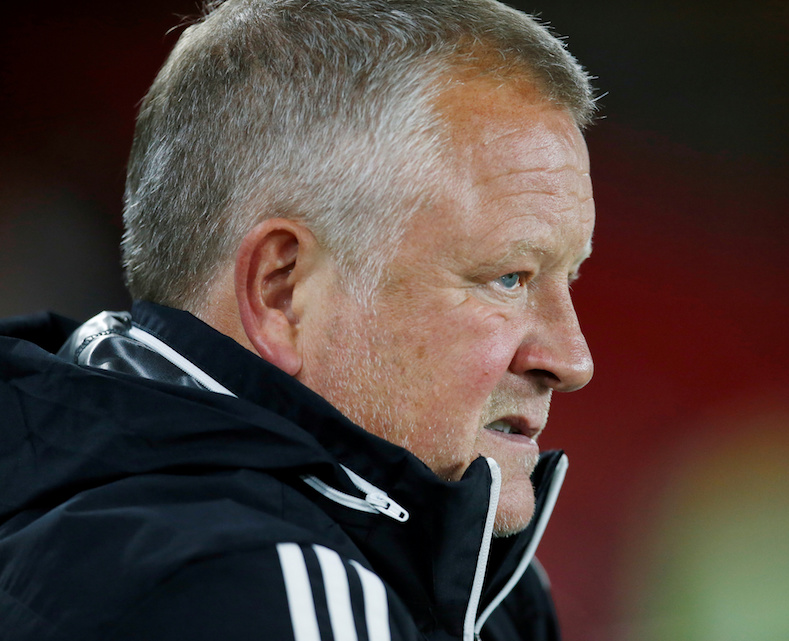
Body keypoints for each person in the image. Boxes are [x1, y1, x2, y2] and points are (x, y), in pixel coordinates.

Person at [0, 1, 596, 639]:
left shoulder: (489, 585)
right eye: (508, 279)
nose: (572, 359)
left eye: (570, 278)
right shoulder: (248, 585)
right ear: (282, 292)